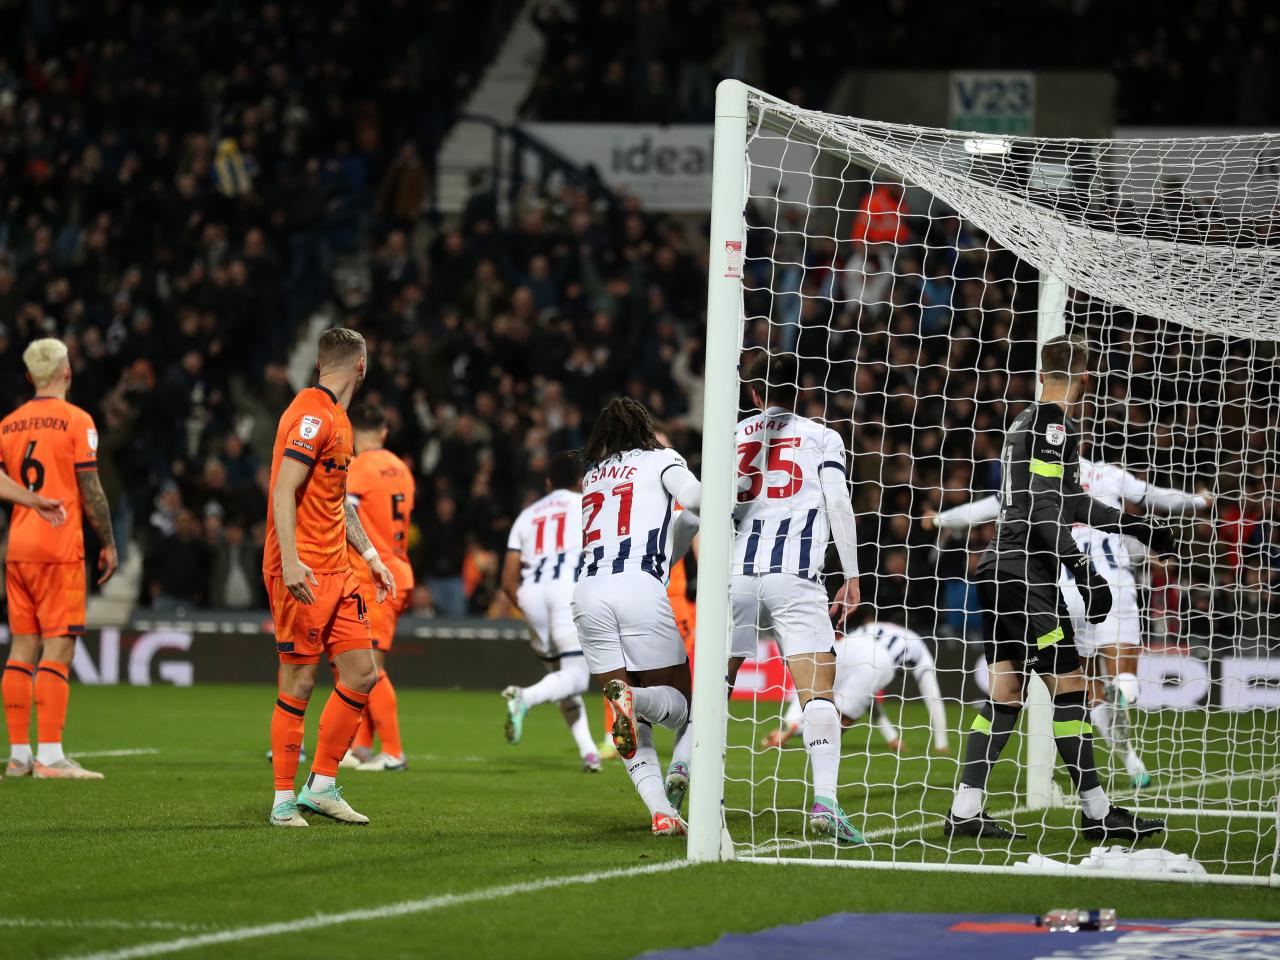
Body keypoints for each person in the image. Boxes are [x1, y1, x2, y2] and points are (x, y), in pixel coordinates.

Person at [945, 334, 1170, 842]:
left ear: (1042, 373)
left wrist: (1131, 526)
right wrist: (1086, 570)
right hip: (1027, 579)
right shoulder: (1053, 424)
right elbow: (1048, 515)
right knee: (1070, 688)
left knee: (1007, 693)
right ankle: (1097, 814)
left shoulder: (1022, 424)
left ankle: (965, 810)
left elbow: (1065, 499)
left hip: (997, 571)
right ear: (1086, 379)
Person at [926, 457, 1209, 788]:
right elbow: (1156, 496)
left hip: (1065, 587)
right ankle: (1124, 688)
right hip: (1112, 584)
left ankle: (1130, 761)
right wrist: (1200, 500)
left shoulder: (1032, 480)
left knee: (1086, 687)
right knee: (1125, 676)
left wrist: (938, 520)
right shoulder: (1109, 475)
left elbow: (983, 509)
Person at [727, 352, 864, 845]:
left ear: (754, 393)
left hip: (737, 575)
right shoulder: (823, 436)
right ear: (803, 391)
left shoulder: (736, 435)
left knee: (716, 686)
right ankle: (825, 804)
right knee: (817, 694)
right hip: (796, 576)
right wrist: (851, 574)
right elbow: (838, 500)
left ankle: (680, 777)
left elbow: (721, 507)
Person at [264, 328, 396, 827]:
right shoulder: (312, 413)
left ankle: (320, 786)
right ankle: (281, 799)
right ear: (361, 366)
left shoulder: (337, 419)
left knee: (362, 672)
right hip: (302, 568)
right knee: (299, 679)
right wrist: (293, 560)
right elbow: (283, 490)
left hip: (340, 569)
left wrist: (371, 555)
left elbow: (336, 497)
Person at [571, 398, 700, 836]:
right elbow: (697, 499)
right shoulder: (662, 458)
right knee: (687, 709)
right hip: (637, 587)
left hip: (587, 592)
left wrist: (685, 528)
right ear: (645, 428)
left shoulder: (591, 476)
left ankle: (661, 812)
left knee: (625, 715)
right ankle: (635, 702)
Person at [1, 338, 113, 780]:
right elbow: (92, 489)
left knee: (21, 647)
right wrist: (108, 539)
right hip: (59, 548)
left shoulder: (8, 424)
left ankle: (18, 756)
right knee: (59, 645)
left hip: (18, 549)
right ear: (66, 372)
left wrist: (28, 500)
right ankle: (50, 756)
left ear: (30, 377)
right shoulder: (77, 420)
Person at [499, 451, 599, 772]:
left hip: (531, 594)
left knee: (561, 679)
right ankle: (524, 698)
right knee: (576, 678)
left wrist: (527, 607)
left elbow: (507, 580)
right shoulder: (587, 504)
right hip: (566, 590)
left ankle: (589, 753)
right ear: (581, 481)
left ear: (547, 482)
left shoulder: (527, 515)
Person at [339, 402, 415, 773]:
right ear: (384, 431)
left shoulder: (357, 469)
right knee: (362, 664)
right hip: (399, 568)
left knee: (370, 666)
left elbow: (343, 517)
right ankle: (362, 745)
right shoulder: (401, 469)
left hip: (374, 575)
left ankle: (395, 752)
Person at [763, 620, 950, 756]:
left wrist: (892, 737)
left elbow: (869, 701)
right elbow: (933, 696)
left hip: (847, 645)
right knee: (841, 721)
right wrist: (942, 743)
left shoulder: (875, 625)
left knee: (817, 687)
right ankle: (798, 733)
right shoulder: (918, 645)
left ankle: (789, 725)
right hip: (881, 659)